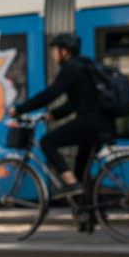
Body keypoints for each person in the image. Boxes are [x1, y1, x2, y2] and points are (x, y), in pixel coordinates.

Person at [9, 32, 114, 232]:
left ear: (65, 51)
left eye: (55, 50)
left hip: (90, 124)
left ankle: (71, 186)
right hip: (102, 123)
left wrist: (20, 109)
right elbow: (76, 102)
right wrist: (54, 115)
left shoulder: (72, 67)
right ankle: (89, 214)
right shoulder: (84, 64)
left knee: (47, 142)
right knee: (80, 173)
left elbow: (49, 95)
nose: (54, 55)